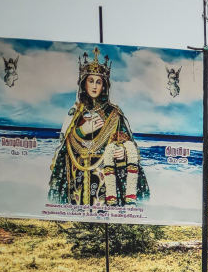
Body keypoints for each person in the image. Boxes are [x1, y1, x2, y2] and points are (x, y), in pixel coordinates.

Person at [47, 49, 147, 209]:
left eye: (98, 82)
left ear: (104, 86)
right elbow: (64, 146)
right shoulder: (75, 112)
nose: (94, 86)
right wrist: (81, 131)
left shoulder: (114, 114)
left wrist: (123, 152)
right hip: (78, 178)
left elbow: (126, 141)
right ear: (84, 83)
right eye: (91, 81)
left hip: (105, 177)